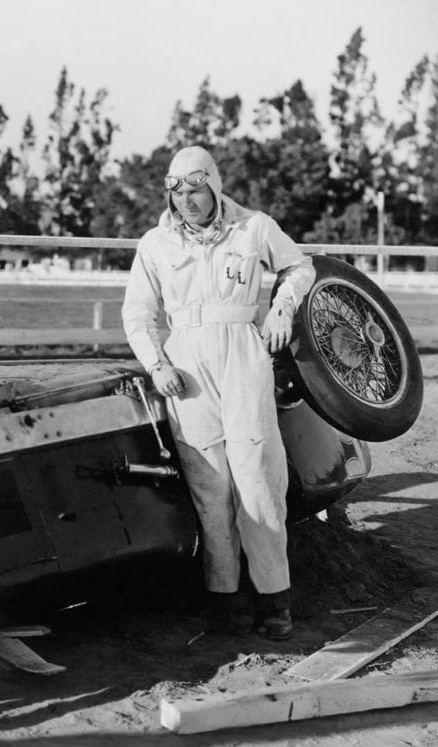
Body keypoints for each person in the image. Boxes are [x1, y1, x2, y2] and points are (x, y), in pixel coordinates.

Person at [121, 145, 315, 639]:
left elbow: (300, 268)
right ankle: (223, 596)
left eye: (196, 189)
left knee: (258, 477)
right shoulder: (155, 243)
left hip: (243, 355)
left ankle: (275, 599)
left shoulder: (254, 227)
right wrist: (157, 363)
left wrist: (279, 308)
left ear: (214, 185)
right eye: (178, 191)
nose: (187, 200)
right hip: (186, 365)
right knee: (210, 485)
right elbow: (138, 314)